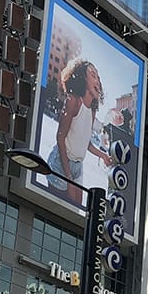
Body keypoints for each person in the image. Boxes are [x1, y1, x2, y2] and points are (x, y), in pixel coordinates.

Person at [46, 57, 111, 198]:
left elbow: (85, 142)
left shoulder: (92, 111)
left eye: (98, 77)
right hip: (61, 163)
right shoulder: (73, 102)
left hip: (78, 166)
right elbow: (60, 138)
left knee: (76, 208)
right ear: (83, 79)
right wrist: (68, 175)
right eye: (93, 75)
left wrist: (102, 155)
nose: (97, 81)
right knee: (59, 206)